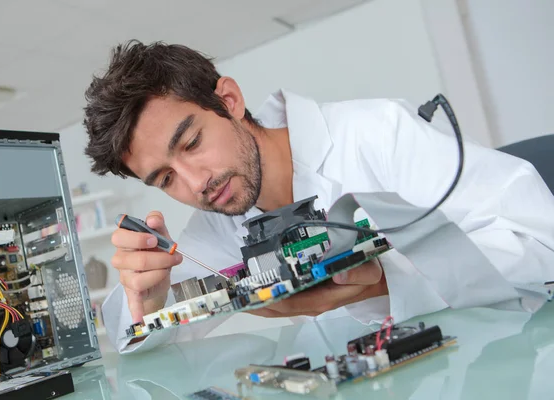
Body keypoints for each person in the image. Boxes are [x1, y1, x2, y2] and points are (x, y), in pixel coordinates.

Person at [82, 40, 554, 354]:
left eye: (191, 143)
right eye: (165, 179)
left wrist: (384, 284)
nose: (194, 182)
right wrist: (147, 291)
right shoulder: (219, 221)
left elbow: (541, 241)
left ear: (228, 101)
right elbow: (136, 339)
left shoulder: (376, 133)